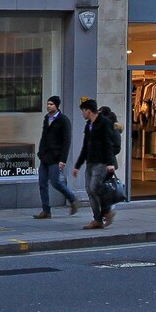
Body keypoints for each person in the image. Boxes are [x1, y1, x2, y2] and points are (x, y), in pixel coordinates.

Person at [74, 96, 121, 230]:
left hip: (102, 162)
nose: (82, 114)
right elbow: (85, 147)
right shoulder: (89, 125)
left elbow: (108, 144)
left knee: (95, 188)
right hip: (90, 162)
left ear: (88, 111)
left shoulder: (104, 123)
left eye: (83, 111)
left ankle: (107, 211)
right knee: (89, 190)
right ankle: (98, 219)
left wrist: (110, 163)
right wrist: (78, 165)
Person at [34, 95, 77, 219]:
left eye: (51, 104)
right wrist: (40, 152)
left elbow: (66, 141)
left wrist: (63, 159)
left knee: (55, 182)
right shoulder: (46, 119)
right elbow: (44, 136)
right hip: (45, 156)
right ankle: (46, 210)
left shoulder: (63, 120)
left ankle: (72, 198)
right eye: (47, 104)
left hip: (56, 157)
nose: (48, 106)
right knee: (42, 183)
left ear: (57, 106)